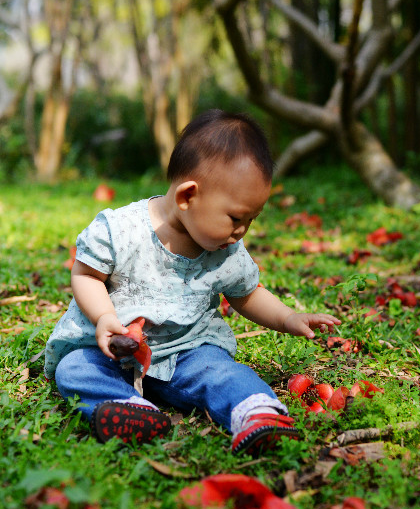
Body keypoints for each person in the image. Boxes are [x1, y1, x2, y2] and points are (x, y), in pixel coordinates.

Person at [45, 109, 340, 454]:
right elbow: (86, 275)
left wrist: (288, 317)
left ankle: (257, 411)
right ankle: (127, 408)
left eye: (251, 219)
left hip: (187, 353)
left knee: (222, 372)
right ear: (188, 196)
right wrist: (103, 317)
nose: (242, 230)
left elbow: (247, 295)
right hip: (110, 352)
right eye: (235, 218)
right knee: (74, 369)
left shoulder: (227, 251)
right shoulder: (120, 230)